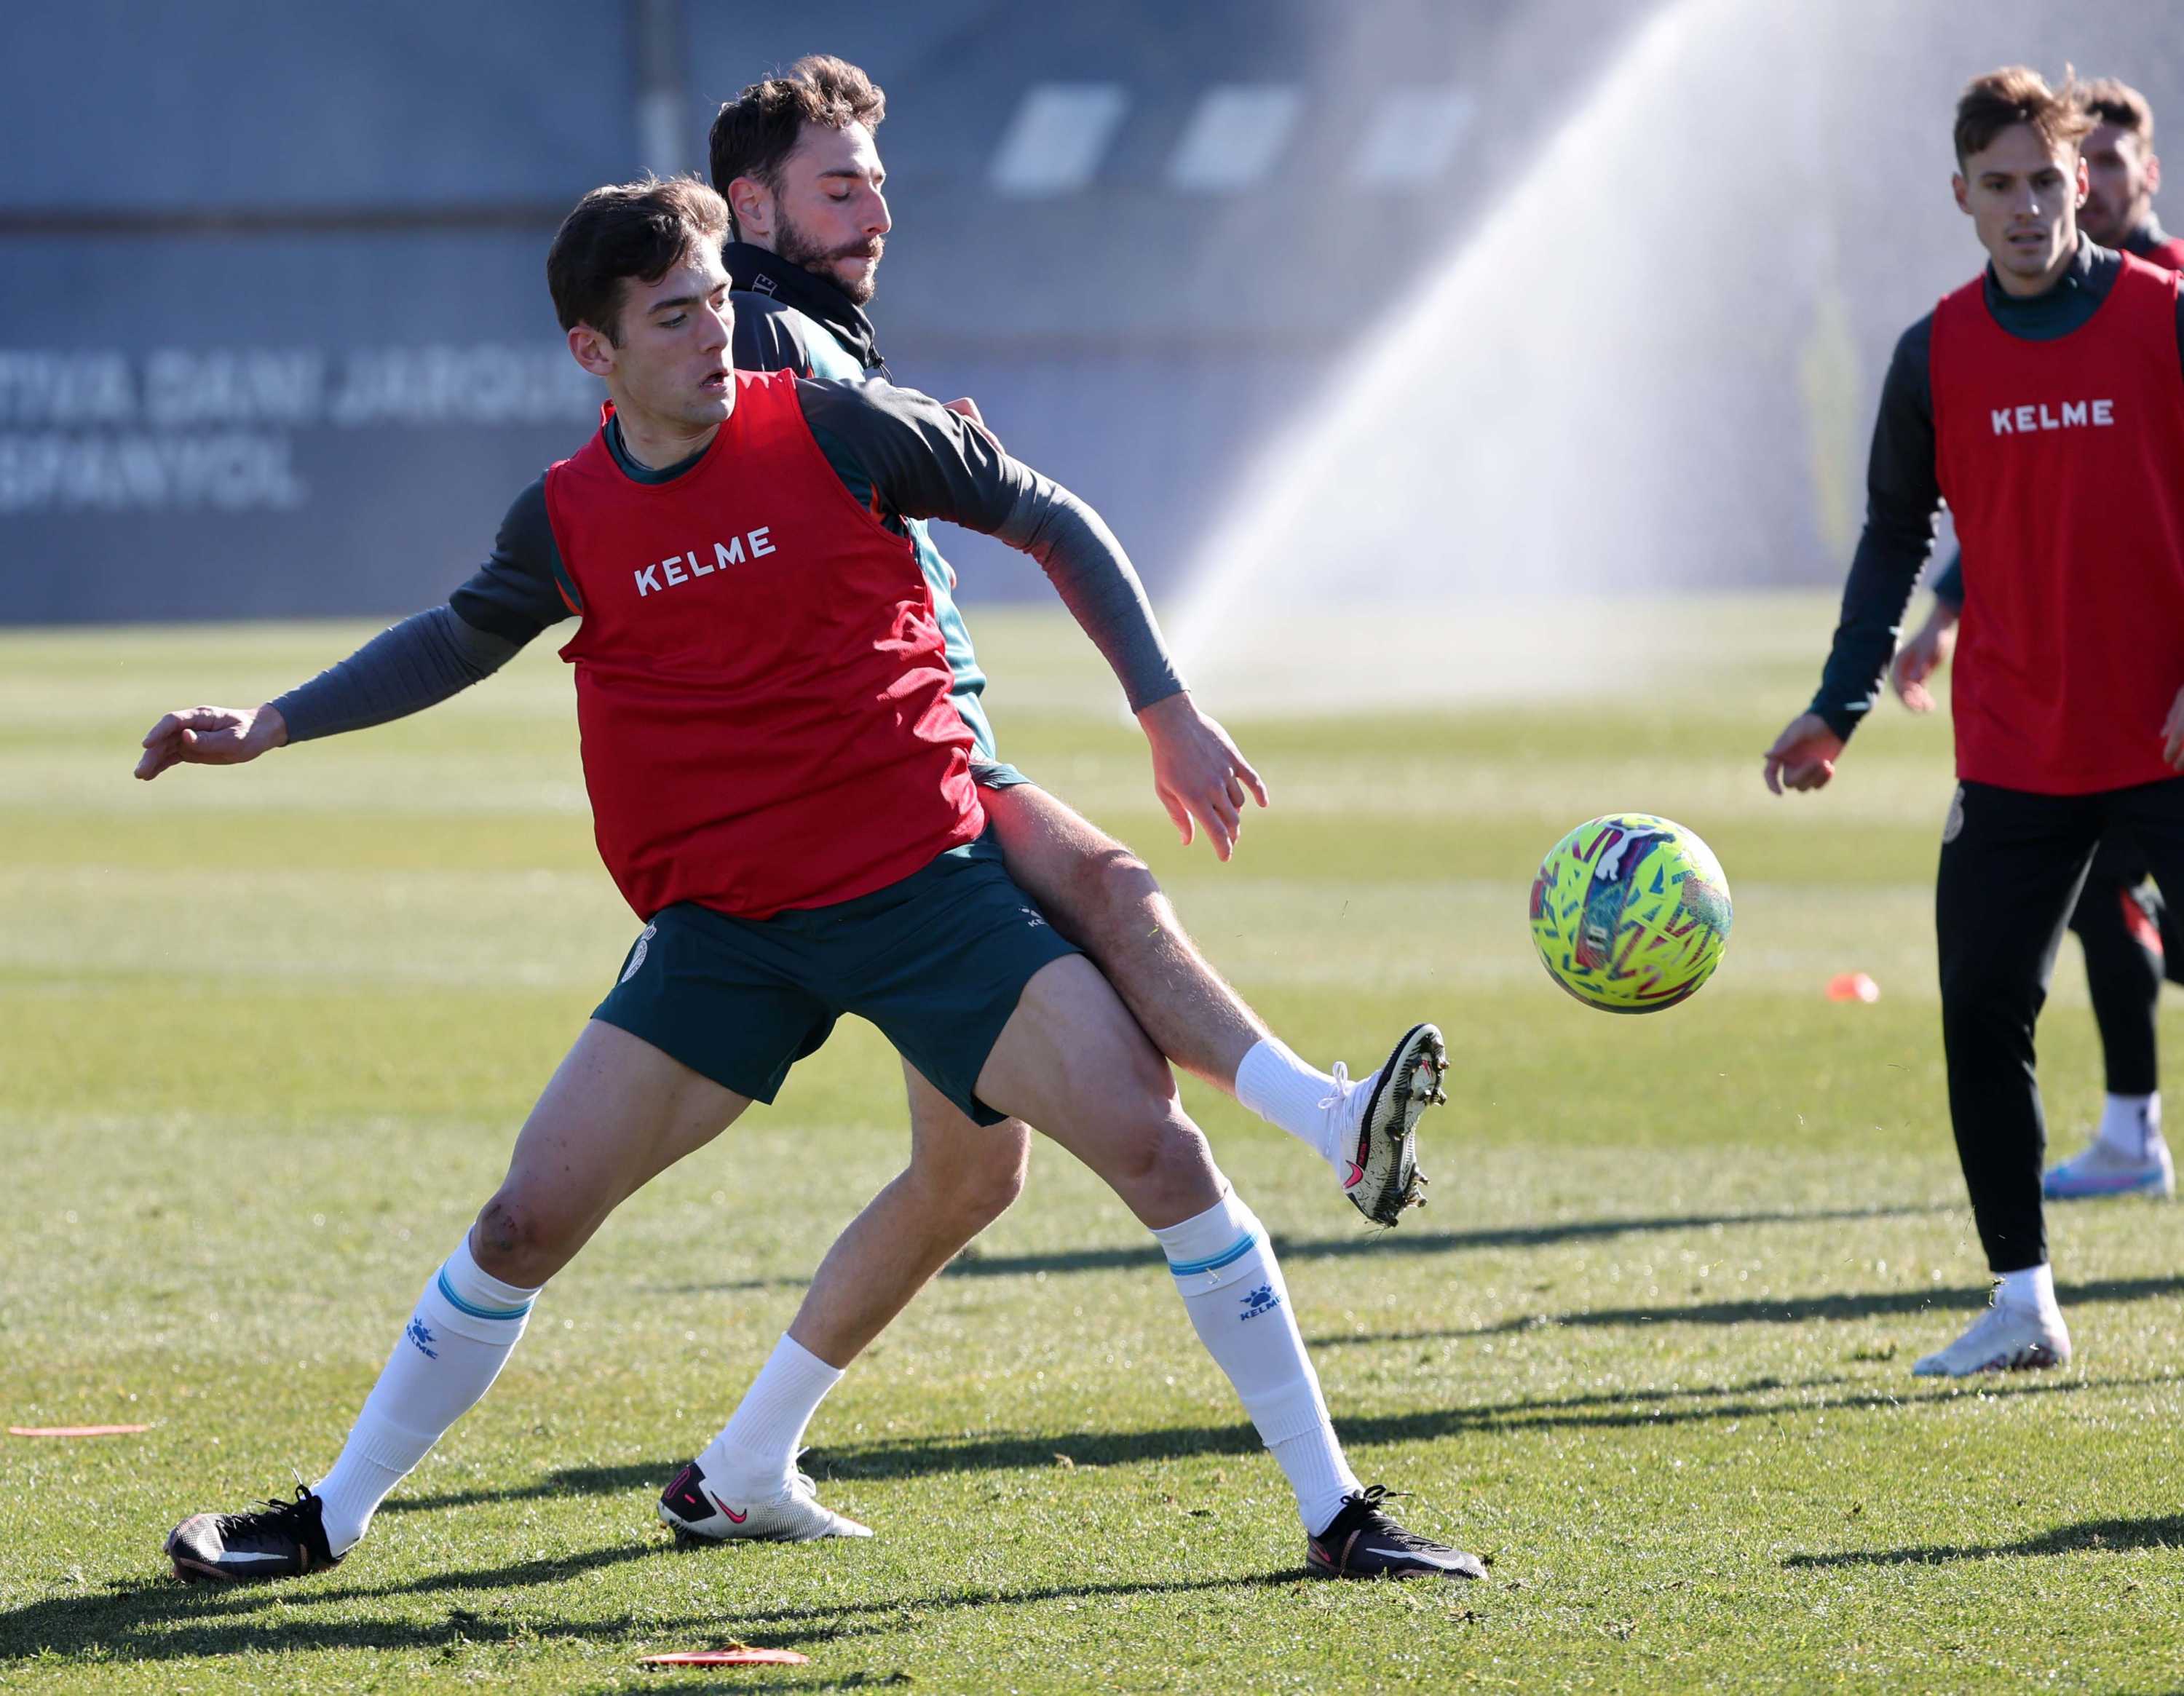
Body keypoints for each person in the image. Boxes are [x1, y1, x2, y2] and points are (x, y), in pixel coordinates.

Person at [148, 178, 1480, 1585]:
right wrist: (273, 723)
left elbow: (1051, 516)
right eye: (675, 316)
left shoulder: (839, 427)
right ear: (594, 351)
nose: (715, 334)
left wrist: (1162, 703)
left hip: (926, 897)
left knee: (1161, 1155)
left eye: (720, 299)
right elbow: (452, 638)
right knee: (524, 1219)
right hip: (726, 932)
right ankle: (330, 1515)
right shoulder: (568, 516)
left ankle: (1338, 1512)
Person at [649, 55, 1445, 1542]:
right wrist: (1163, 706)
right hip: (888, 790)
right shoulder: (757, 332)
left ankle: (742, 1466)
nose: (876, 207)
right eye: (840, 184)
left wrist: (894, 427)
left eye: (880, 181)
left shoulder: (806, 340)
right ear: (750, 208)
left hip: (895, 772)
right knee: (1140, 1058)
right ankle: (1334, 1416)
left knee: (968, 1176)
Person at [1762, 66, 2184, 1377]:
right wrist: (1838, 705)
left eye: (2046, 181)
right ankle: (2024, 1303)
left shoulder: (2166, 317)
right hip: (2018, 751)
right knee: (1983, 1012)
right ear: (1961, 196)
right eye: (1999, 185)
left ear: (2084, 184)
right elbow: (1895, 537)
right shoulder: (1932, 353)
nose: (2027, 207)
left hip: (2167, 741)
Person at [1890, 78, 2183, 1205]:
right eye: (2074, 165)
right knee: (2095, 911)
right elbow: (2039, 493)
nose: (2079, 188)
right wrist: (1947, 608)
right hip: (2069, 720)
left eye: (2101, 166)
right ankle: (2131, 1126)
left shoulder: (2164, 300)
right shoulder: (1991, 331)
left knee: (2126, 913)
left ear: (2146, 174)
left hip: (2159, 698)